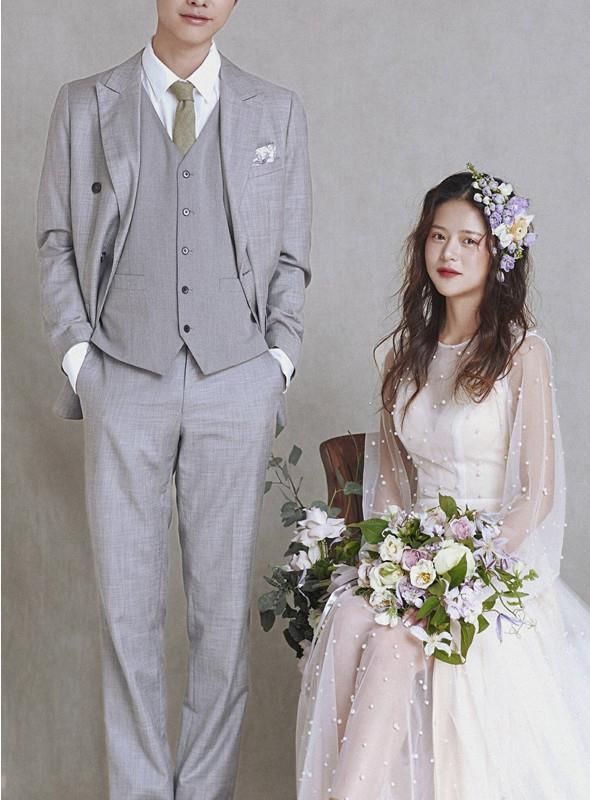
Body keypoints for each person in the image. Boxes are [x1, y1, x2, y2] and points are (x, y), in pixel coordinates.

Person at [295, 167, 590, 799]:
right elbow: (389, 486)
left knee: (395, 648)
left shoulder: (522, 353)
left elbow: (537, 495)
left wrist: (465, 571)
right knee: (346, 622)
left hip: (489, 566)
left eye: (468, 240)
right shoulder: (401, 355)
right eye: (438, 236)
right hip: (413, 555)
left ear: (498, 254)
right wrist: (388, 568)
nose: (448, 253)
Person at [36, 1, 311, 797]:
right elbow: (55, 241)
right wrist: (82, 360)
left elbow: (291, 255)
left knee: (220, 620)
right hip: (123, 377)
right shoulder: (85, 104)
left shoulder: (276, 111)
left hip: (236, 380)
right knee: (127, 617)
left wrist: (277, 363)